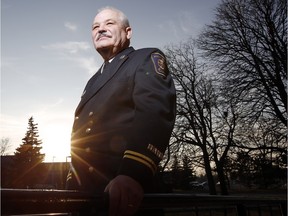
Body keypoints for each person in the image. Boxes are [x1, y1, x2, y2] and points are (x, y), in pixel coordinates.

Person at [67, 6, 176, 216]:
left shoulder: (145, 58)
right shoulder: (93, 80)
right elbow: (80, 134)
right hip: (85, 197)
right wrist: (73, 183)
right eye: (95, 27)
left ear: (128, 32)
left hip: (123, 192)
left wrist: (134, 173)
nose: (100, 29)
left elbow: (154, 111)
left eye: (109, 23)